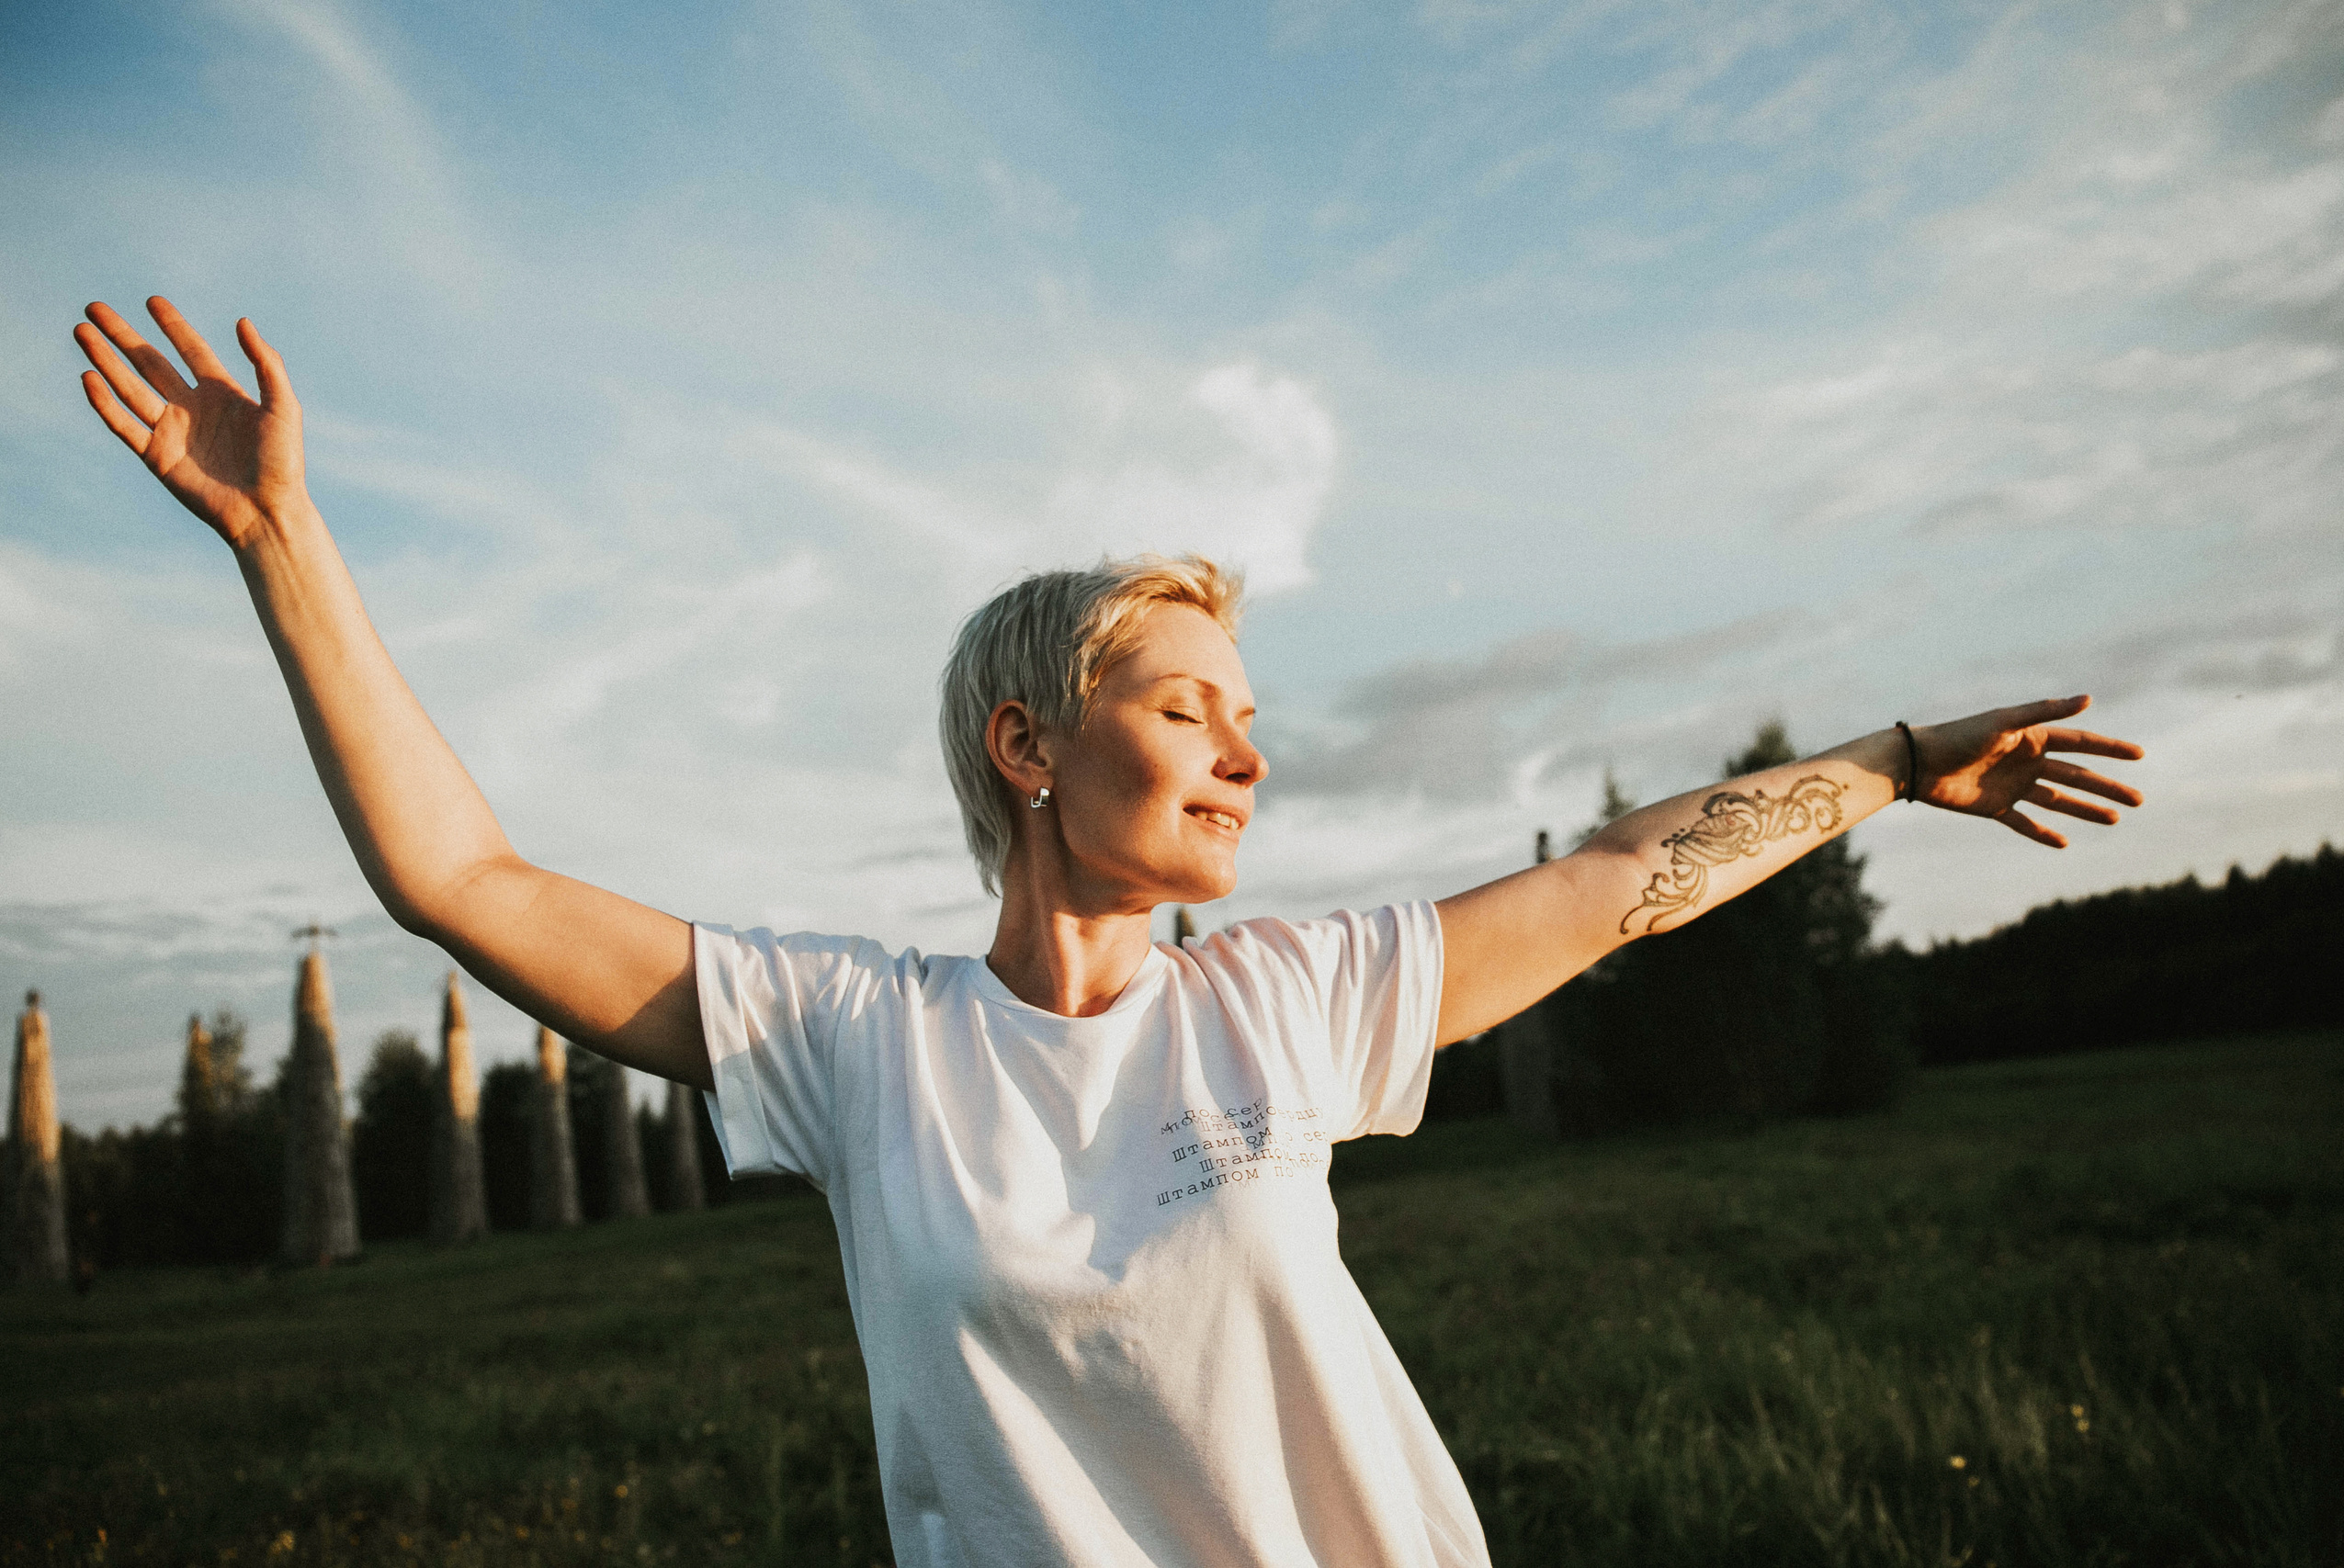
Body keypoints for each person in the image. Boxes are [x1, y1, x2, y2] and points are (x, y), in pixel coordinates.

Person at [74, 298, 2144, 1567]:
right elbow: (469, 885)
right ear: (1030, 745)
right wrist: (284, 542)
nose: (1247, 752)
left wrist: (1891, 762)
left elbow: (1623, 875)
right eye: (1187, 708)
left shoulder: (1293, 1003)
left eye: (1250, 715)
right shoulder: (852, 1042)